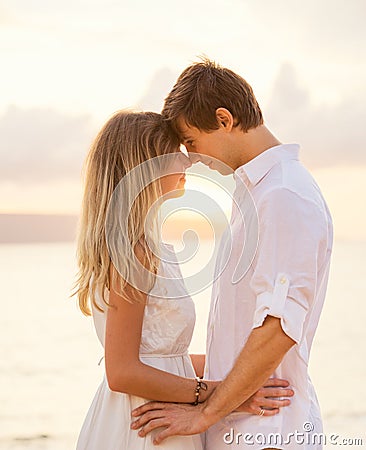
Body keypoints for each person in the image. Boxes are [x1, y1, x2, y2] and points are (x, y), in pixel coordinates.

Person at [131, 60, 333, 450]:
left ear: (224, 119)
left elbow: (279, 326)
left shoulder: (283, 196)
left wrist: (205, 413)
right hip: (245, 429)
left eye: (191, 141)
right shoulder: (257, 196)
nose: (191, 157)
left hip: (267, 434)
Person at [73, 111, 293, 450]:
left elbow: (165, 357)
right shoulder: (134, 252)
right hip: (144, 424)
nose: (187, 161)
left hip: (163, 413)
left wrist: (248, 375)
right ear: (144, 167)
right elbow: (122, 372)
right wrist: (218, 394)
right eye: (174, 150)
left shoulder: (154, 246)